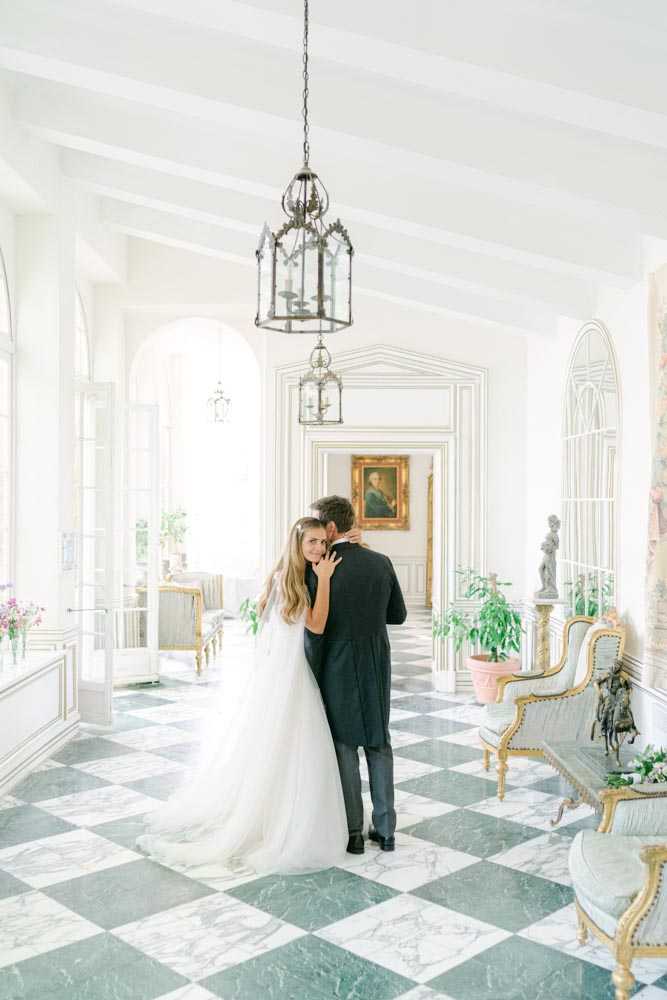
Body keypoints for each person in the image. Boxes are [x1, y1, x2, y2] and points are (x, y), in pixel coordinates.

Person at [136, 517, 348, 874]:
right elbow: (317, 625)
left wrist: (342, 543)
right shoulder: (292, 579)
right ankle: (279, 820)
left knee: (286, 746)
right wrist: (325, 580)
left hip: (284, 669)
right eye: (311, 542)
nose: (318, 549)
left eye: (322, 543)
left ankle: (280, 810)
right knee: (296, 745)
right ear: (296, 544)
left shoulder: (285, 574)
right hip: (291, 674)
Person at [306, 494, 407, 854]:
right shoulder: (381, 562)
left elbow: (314, 629)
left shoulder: (316, 568)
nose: (316, 534)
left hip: (336, 663)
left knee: (344, 746)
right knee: (379, 742)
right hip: (376, 661)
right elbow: (398, 615)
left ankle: (353, 833)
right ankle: (386, 830)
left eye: (318, 525)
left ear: (331, 528)